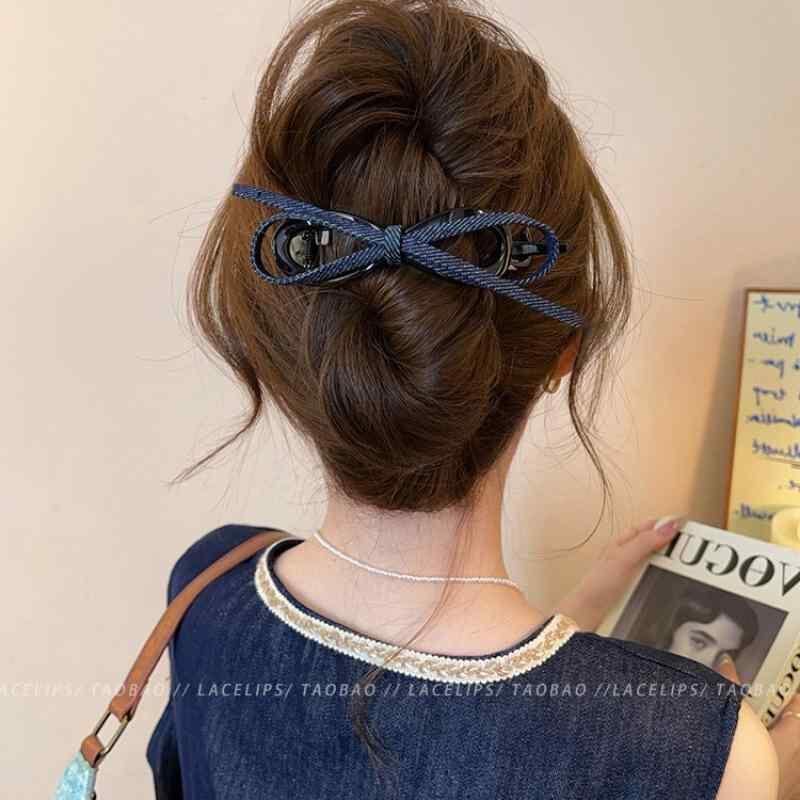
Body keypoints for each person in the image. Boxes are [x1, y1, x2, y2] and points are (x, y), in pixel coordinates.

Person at [147, 0, 800, 797]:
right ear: (564, 353)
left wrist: (580, 628)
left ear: (269, 340)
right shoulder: (700, 749)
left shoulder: (207, 588)